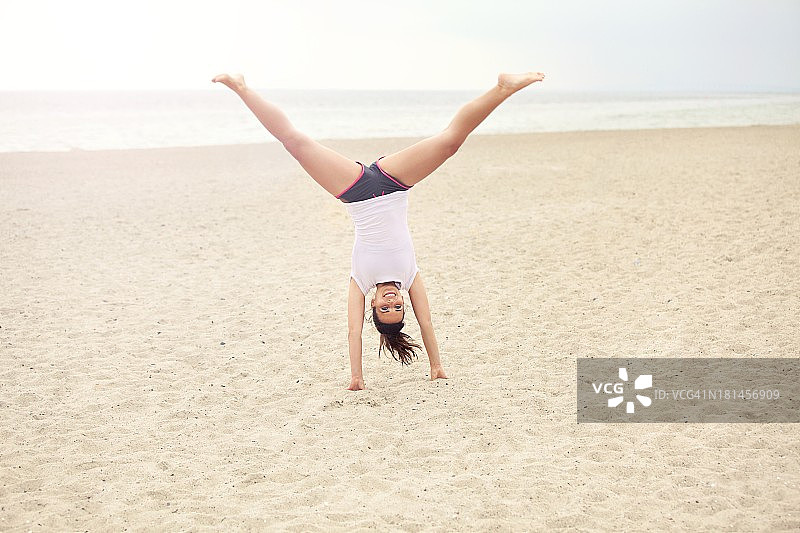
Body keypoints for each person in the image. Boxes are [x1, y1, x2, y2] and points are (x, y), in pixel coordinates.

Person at [212, 70, 545, 390]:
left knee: (295, 143)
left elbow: (353, 332)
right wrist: (436, 365)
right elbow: (427, 323)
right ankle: (503, 88)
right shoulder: (409, 276)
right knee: (449, 143)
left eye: (384, 309)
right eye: (398, 307)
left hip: (354, 191)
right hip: (395, 182)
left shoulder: (361, 281)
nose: (392, 303)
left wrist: (356, 376)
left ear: (372, 304)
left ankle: (241, 88)